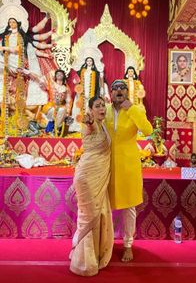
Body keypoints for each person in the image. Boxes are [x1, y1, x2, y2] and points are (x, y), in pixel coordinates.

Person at [104, 79, 153, 262]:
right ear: (111, 92)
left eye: (122, 88)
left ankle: (128, 245)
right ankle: (105, 243)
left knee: (129, 207)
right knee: (105, 205)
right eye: (115, 88)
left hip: (128, 165)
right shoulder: (105, 110)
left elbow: (147, 130)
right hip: (106, 163)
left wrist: (131, 108)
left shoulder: (135, 110)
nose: (118, 90)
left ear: (127, 92)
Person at [70, 96, 114, 276]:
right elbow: (89, 124)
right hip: (87, 178)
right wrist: (88, 120)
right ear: (90, 110)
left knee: (99, 213)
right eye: (97, 106)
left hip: (99, 177)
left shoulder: (103, 125)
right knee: (88, 217)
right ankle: (84, 262)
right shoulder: (92, 124)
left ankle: (94, 254)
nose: (102, 108)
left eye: (103, 105)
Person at [69, 57, 101, 132]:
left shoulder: (95, 72)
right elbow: (76, 79)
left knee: (89, 109)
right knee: (79, 109)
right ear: (86, 62)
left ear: (92, 62)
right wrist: (75, 81)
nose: (89, 62)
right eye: (87, 61)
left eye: (90, 61)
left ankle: (89, 127)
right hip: (82, 93)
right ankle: (79, 127)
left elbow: (97, 85)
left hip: (91, 93)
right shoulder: (81, 71)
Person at [41, 69, 72, 136]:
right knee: (52, 111)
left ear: (63, 76)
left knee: (62, 110)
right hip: (50, 105)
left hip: (60, 106)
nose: (59, 75)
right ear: (55, 76)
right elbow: (42, 83)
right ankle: (50, 127)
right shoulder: (51, 84)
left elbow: (69, 101)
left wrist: (68, 112)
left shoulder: (66, 89)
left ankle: (56, 129)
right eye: (57, 74)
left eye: (61, 74)